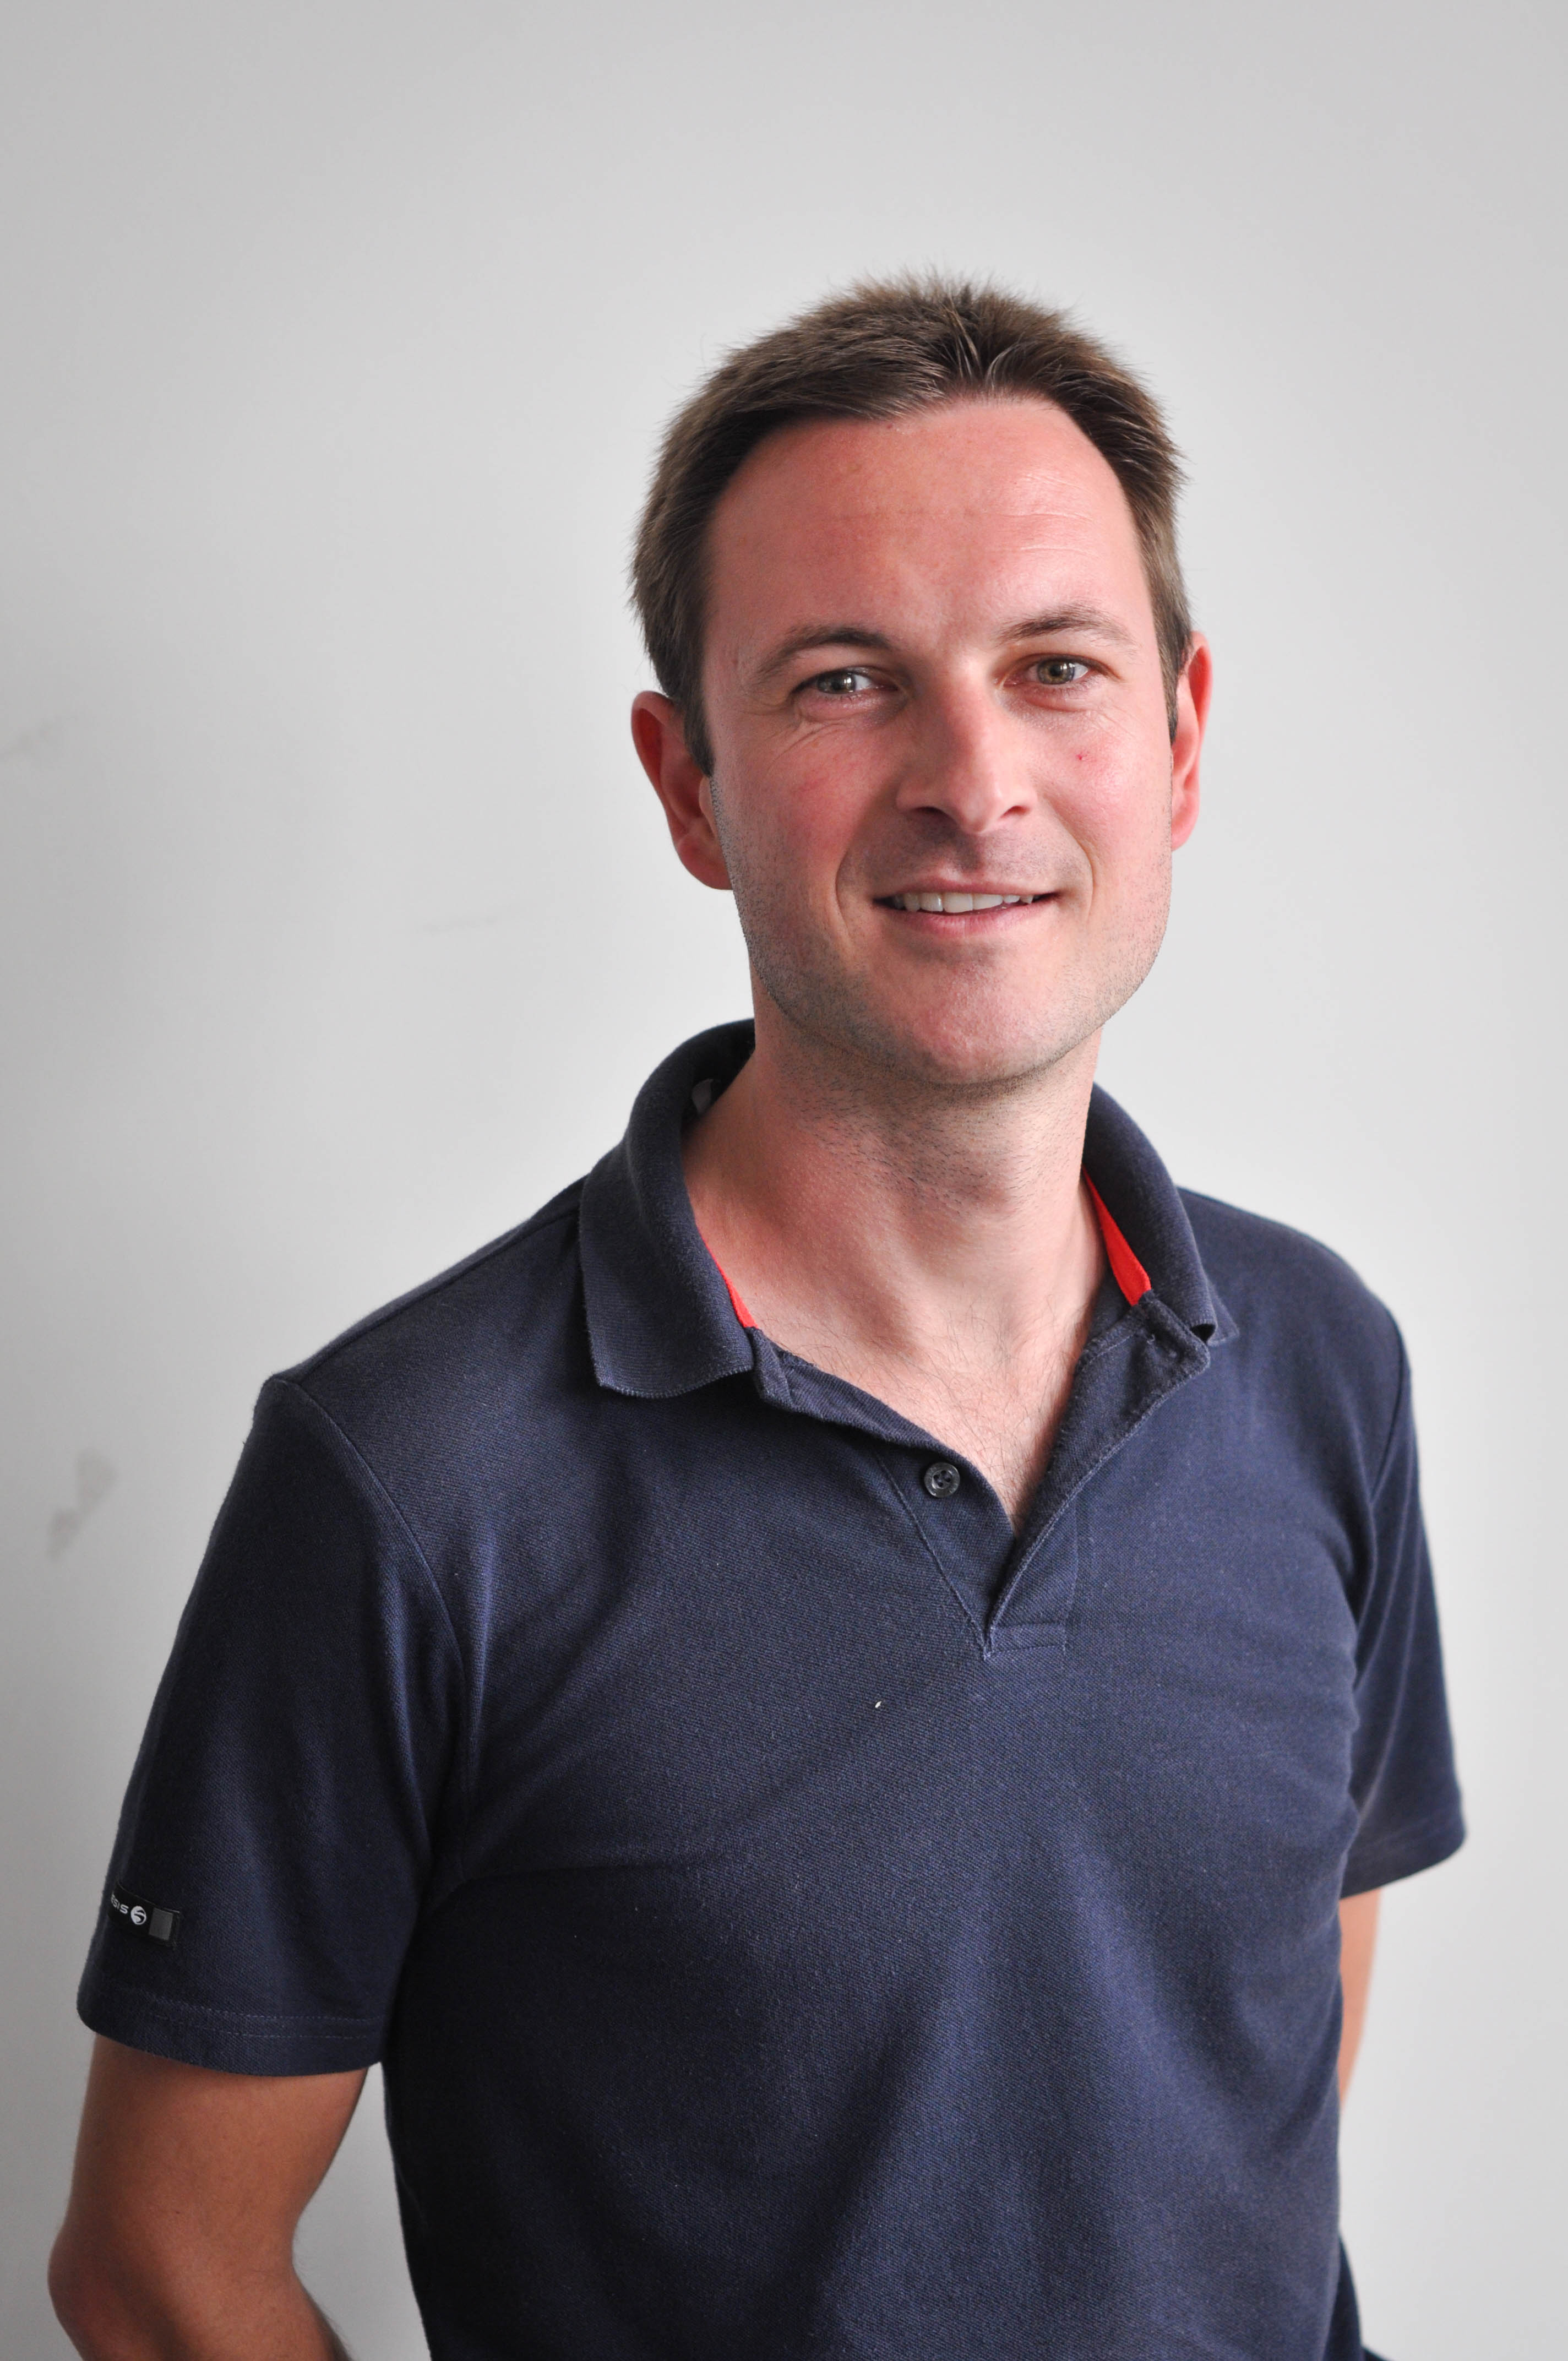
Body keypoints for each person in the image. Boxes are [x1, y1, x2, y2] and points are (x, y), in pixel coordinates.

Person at [50, 279, 1462, 2361]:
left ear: (1176, 742)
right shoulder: (410, 1478)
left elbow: (1259, 2070)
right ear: (689, 782)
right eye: (845, 682)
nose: (972, 780)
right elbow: (160, 2271)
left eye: (1056, 668)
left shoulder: (1321, 1364)